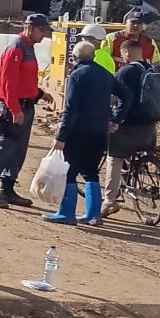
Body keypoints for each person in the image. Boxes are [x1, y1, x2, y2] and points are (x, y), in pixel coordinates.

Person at [45, 38, 122, 227]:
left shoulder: (77, 76)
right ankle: (93, 214)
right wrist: (115, 118)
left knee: (70, 173)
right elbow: (126, 94)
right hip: (99, 133)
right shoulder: (105, 74)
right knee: (91, 173)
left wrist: (61, 137)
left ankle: (66, 213)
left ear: (74, 57)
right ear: (94, 56)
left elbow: (71, 109)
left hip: (78, 132)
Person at [0, 13, 51, 208]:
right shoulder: (16, 48)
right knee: (4, 149)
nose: (43, 35)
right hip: (14, 108)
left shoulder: (29, 48)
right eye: (41, 30)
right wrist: (14, 109)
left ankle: (7, 188)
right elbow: (8, 83)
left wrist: (40, 93)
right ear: (31, 28)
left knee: (19, 150)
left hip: (26, 106)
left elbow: (25, 79)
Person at [106, 38, 160, 210]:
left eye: (122, 54)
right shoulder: (153, 70)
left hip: (129, 126)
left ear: (127, 53)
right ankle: (137, 174)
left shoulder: (125, 72)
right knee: (135, 152)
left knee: (113, 158)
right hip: (149, 127)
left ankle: (109, 201)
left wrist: (113, 116)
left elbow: (117, 98)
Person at [96, 9, 160, 74]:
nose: (136, 25)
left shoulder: (149, 42)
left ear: (143, 26)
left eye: (139, 23)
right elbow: (103, 59)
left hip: (139, 80)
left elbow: (157, 65)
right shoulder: (112, 38)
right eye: (133, 22)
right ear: (126, 24)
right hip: (116, 79)